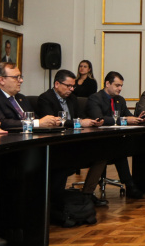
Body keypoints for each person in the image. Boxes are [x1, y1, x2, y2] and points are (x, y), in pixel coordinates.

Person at [36, 69, 108, 205]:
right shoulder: (45, 98)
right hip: (56, 144)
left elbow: (80, 116)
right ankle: (56, 200)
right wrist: (78, 122)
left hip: (75, 141)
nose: (71, 89)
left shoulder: (72, 99)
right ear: (57, 84)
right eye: (68, 86)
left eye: (73, 86)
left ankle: (87, 193)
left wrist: (91, 121)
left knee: (101, 154)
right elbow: (53, 123)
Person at [83, 71, 145, 198]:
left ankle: (130, 185)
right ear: (107, 83)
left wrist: (136, 118)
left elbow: (127, 116)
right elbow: (99, 119)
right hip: (96, 140)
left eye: (121, 86)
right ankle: (129, 185)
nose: (120, 88)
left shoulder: (120, 100)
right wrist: (124, 120)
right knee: (118, 150)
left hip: (115, 140)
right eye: (117, 85)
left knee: (121, 149)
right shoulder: (95, 98)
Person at [0, 62, 61, 131]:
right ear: (2, 80)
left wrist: (50, 122)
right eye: (16, 77)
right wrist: (37, 123)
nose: (21, 80)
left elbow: (35, 118)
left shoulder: (21, 98)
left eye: (20, 77)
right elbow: (1, 122)